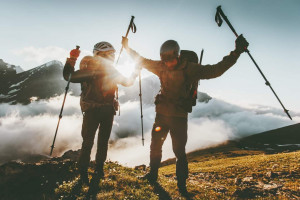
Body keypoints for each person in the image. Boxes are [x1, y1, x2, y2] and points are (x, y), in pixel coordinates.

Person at [122, 35, 249, 194]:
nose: (168, 64)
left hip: (179, 117)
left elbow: (216, 70)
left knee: (179, 151)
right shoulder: (160, 66)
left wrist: (236, 52)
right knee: (155, 146)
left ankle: (181, 185)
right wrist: (127, 48)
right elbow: (140, 59)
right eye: (166, 61)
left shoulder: (191, 69)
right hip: (162, 115)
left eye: (171, 61)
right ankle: (153, 175)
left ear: (178, 56)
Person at [63, 41, 139, 185]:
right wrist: (135, 72)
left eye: (112, 55)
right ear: (102, 55)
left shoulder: (92, 71)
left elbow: (69, 76)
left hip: (92, 111)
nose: (111, 57)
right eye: (110, 55)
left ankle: (84, 173)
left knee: (88, 142)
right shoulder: (111, 71)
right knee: (102, 143)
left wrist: (72, 59)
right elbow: (128, 82)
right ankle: (98, 170)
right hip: (107, 110)